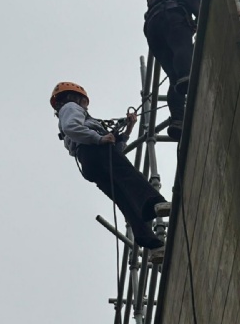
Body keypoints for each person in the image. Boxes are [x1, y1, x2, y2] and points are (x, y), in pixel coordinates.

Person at [51, 81, 171, 253]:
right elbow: (72, 128)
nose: (85, 106)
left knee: (123, 197)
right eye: (84, 102)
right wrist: (99, 138)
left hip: (89, 162)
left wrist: (127, 129)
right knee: (129, 176)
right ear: (75, 97)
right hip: (94, 150)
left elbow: (115, 150)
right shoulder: (70, 107)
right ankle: (155, 203)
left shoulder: (79, 123)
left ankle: (150, 242)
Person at [144, 0, 201, 141]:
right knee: (182, 47)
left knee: (174, 78)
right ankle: (186, 76)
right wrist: (203, 15)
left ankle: (178, 120)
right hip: (170, 14)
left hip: (152, 28)